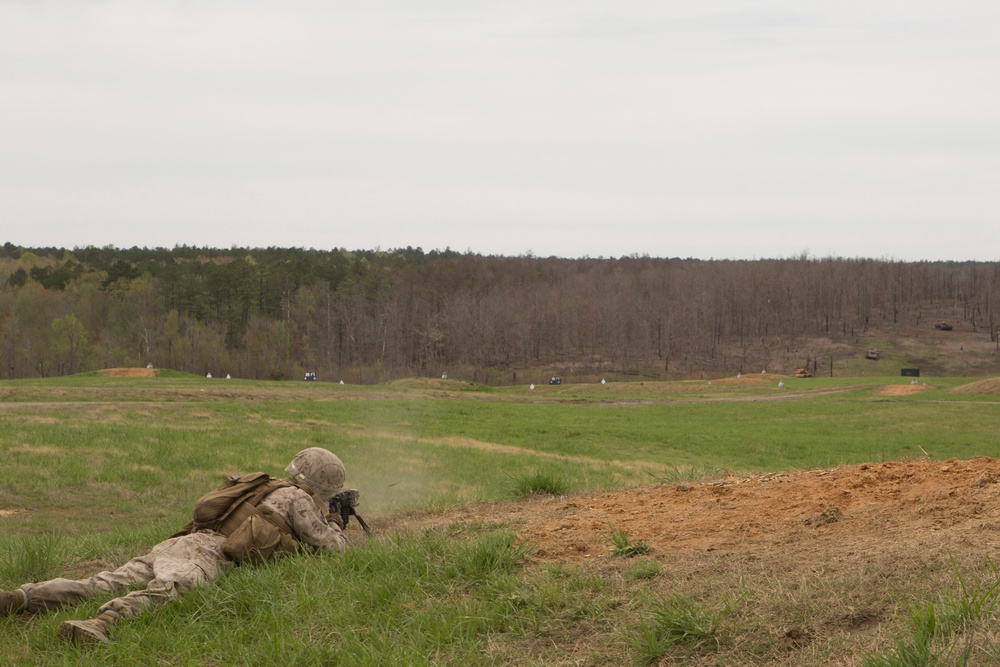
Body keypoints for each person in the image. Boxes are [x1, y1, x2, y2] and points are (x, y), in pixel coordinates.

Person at [0, 447, 349, 645]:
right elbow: (333, 548)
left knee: (102, 581)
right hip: (204, 551)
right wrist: (336, 519)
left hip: (177, 542)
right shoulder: (298, 497)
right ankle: (102, 622)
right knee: (175, 588)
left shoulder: (265, 483)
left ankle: (20, 598)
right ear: (324, 484)